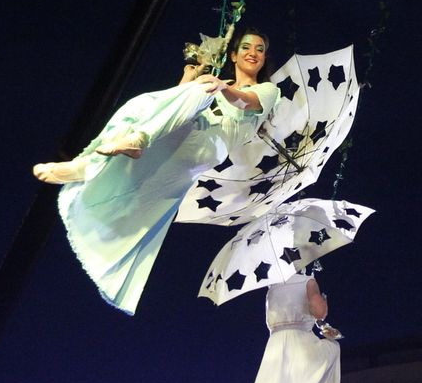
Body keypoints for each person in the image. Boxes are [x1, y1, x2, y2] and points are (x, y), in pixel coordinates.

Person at [33, 30, 279, 315]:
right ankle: (87, 164)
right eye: (246, 47)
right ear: (233, 55)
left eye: (259, 49)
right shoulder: (215, 83)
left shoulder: (267, 91)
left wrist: (217, 87)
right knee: (141, 105)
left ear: (263, 59)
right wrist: (191, 76)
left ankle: (136, 142)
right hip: (187, 137)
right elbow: (172, 108)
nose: (253, 52)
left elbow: (244, 102)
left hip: (212, 144)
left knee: (200, 90)